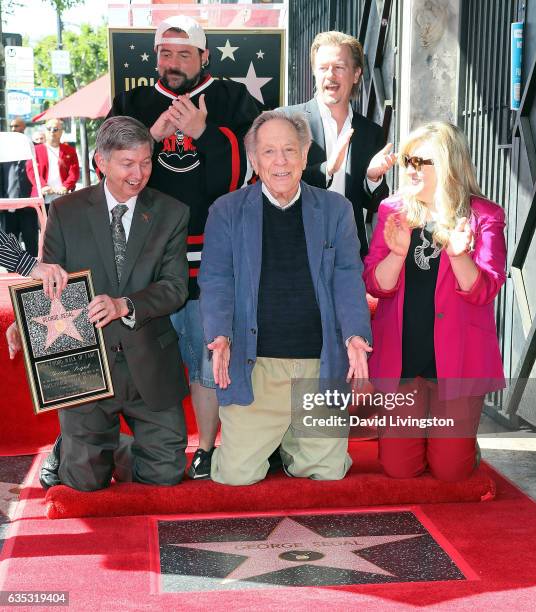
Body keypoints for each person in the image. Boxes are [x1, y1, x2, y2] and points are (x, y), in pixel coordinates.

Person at [108, 14, 260, 479]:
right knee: (139, 355)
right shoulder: (133, 101)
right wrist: (149, 137)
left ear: (204, 57)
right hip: (143, 259)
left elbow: (246, 178)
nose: (173, 64)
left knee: (206, 356)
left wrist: (206, 134)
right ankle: (131, 445)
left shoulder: (235, 100)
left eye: (184, 54)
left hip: (210, 259)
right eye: (165, 54)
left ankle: (207, 448)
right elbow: (112, 174)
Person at [198, 110, 373, 486]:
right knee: (236, 477)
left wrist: (356, 335)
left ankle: (292, 443)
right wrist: (220, 334)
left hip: (317, 364)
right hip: (255, 365)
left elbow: (347, 277)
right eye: (269, 152)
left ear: (305, 155)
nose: (280, 162)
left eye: (290, 150)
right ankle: (274, 439)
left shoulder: (335, 210)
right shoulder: (227, 211)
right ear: (255, 160)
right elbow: (215, 279)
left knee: (326, 473)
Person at [34, 116, 190, 491]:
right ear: (101, 163)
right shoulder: (65, 212)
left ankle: (110, 448)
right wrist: (22, 324)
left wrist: (125, 305)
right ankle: (74, 449)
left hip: (149, 358)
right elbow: (49, 285)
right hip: (86, 360)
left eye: (146, 162)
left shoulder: (172, 213)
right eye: (128, 163)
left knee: (165, 475)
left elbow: (174, 288)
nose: (140, 174)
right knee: (84, 483)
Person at [363, 121, 507, 482]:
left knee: (450, 472)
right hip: (402, 360)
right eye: (407, 159)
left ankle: (462, 446)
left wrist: (460, 256)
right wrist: (396, 254)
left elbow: (485, 290)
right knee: (399, 470)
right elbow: (374, 285)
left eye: (420, 161)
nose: (409, 168)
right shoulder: (391, 211)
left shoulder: (485, 216)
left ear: (448, 165)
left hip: (457, 361)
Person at [279, 31, 395, 257]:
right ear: (314, 72)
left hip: (349, 254)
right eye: (323, 68)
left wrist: (372, 179)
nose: (330, 75)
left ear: (356, 74)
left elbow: (375, 205)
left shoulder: (371, 132)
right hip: (295, 252)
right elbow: (276, 183)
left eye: (339, 67)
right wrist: (327, 169)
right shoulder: (286, 121)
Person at [0, 117, 38, 255]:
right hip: (9, 208)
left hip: (29, 206)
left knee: (31, 244)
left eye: (16, 126)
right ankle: (14, 275)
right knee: (10, 247)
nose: (13, 129)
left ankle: (32, 276)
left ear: (24, 128)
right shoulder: (4, 151)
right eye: (11, 126)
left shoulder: (32, 148)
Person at [26, 118, 79, 207]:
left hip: (63, 198)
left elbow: (74, 172)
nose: (52, 132)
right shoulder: (35, 150)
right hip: (42, 198)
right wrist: (43, 186)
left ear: (61, 132)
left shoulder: (70, 151)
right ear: (45, 131)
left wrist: (66, 186)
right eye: (48, 129)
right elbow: (31, 171)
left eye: (55, 129)